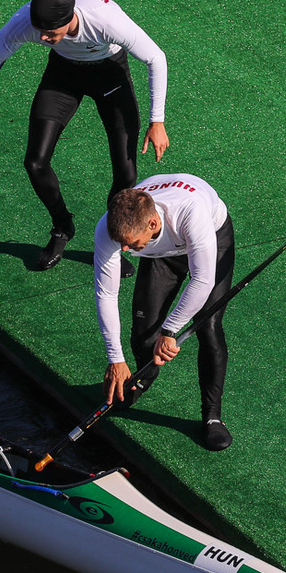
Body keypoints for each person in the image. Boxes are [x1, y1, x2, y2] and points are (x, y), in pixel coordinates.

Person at [0, 0, 169, 272]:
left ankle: (110, 245)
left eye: (51, 33)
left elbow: (155, 58)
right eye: (41, 33)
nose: (44, 38)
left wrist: (157, 121)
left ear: (70, 17)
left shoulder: (105, 19)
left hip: (109, 74)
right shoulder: (27, 22)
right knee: (35, 163)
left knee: (126, 172)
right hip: (63, 75)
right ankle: (62, 227)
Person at [94, 174, 235, 451]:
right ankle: (143, 379)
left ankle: (212, 417)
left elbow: (202, 280)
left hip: (211, 240)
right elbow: (107, 294)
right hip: (160, 253)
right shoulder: (109, 228)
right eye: (121, 243)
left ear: (153, 223)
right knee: (145, 333)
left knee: (207, 328)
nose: (124, 250)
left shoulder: (191, 212)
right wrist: (115, 359)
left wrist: (170, 331)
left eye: (131, 244)